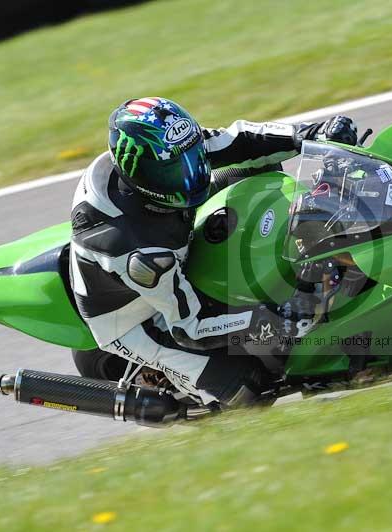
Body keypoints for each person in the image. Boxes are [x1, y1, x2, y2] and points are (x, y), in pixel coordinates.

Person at [69, 96, 357, 414]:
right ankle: (192, 387)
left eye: (193, 158)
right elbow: (189, 326)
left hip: (173, 237)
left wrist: (314, 133)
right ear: (141, 175)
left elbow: (240, 140)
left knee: (260, 166)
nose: (190, 175)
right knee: (249, 388)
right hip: (140, 317)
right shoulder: (133, 248)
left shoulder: (169, 148)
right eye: (174, 172)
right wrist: (273, 319)